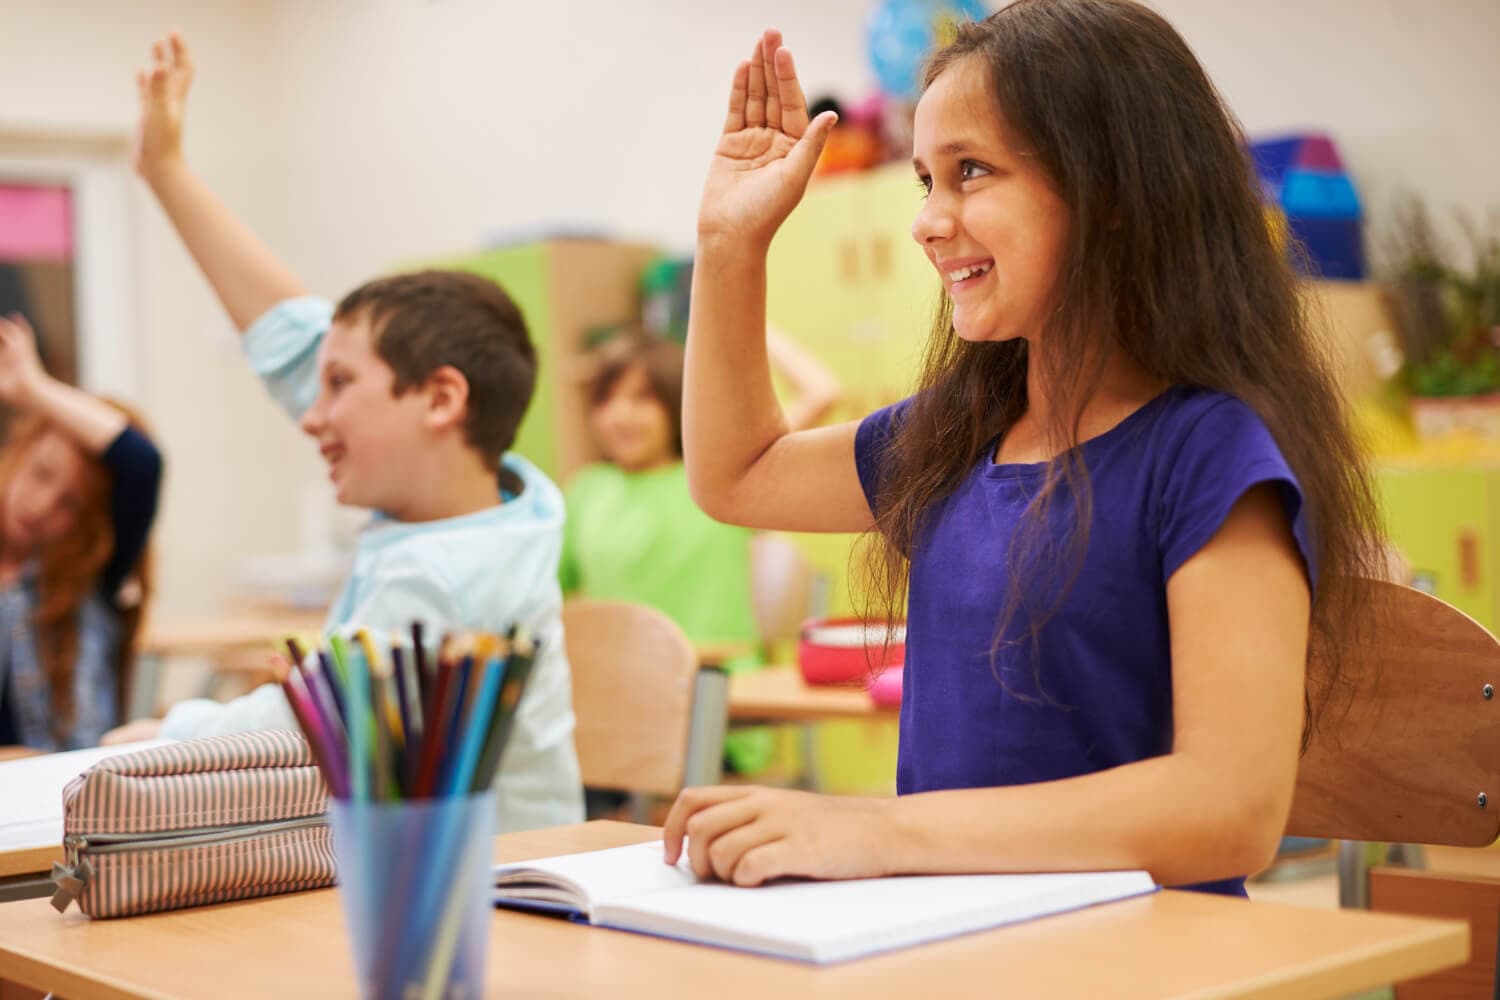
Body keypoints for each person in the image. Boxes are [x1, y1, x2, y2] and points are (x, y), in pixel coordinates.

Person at [662, 5, 1385, 896]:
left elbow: (1231, 809)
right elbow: (738, 474)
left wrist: (883, 829)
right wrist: (729, 243)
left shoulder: (1211, 452)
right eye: (925, 180)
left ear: (1113, 193)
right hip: (955, 945)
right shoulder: (956, 437)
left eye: (971, 173)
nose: (929, 220)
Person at [103, 31, 583, 831]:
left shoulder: (454, 577)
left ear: (438, 400)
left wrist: (170, 731)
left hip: (493, 897)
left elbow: (302, 729)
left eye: (338, 387)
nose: (313, 413)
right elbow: (294, 339)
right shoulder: (463, 493)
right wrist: (166, 172)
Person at [561, 326, 838, 776]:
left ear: (676, 401)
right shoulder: (587, 491)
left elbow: (822, 391)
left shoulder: (718, 478)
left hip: (711, 709)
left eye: (642, 398)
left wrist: (739, 318)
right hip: (613, 712)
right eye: (606, 399)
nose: (619, 415)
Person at [0, 314, 162, 750]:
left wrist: (33, 389)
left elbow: (141, 463)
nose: (41, 504)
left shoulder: (88, 583)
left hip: (55, 804)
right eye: (41, 474)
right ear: (19, 452)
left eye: (70, 503)